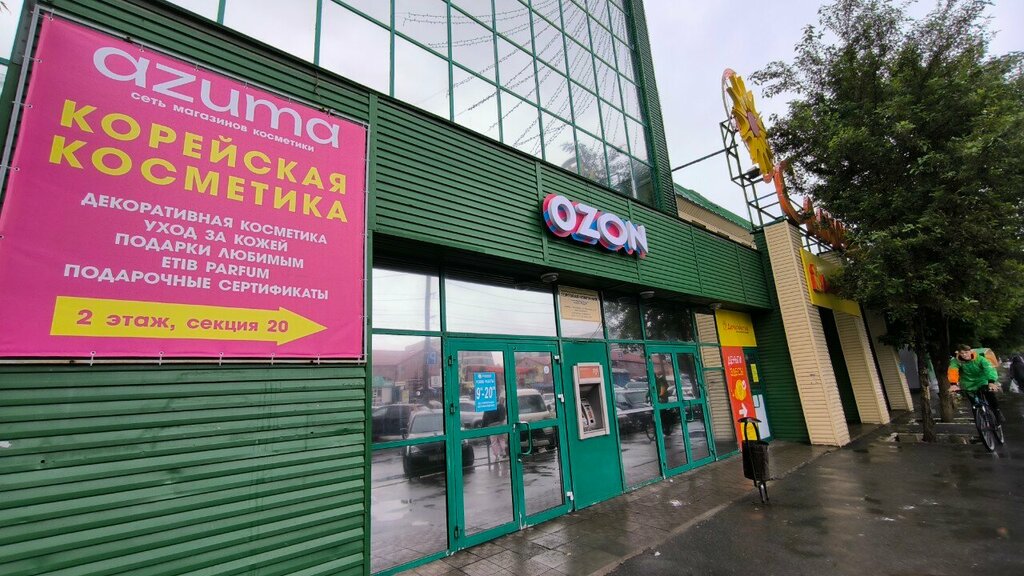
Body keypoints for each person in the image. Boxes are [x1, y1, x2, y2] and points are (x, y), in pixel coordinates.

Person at [948, 344, 1003, 423]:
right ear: (959, 353)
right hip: (968, 383)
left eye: (966, 352)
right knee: (974, 404)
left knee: (990, 395)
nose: (964, 355)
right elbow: (953, 371)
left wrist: (991, 382)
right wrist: (953, 384)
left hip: (982, 380)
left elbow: (989, 369)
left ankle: (997, 412)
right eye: (962, 353)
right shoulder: (956, 361)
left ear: (970, 351)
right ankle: (979, 422)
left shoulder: (979, 358)